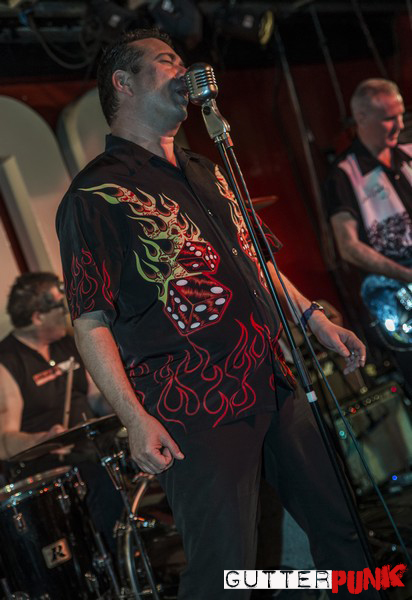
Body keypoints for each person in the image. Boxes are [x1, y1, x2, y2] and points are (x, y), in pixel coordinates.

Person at [56, 29, 378, 599]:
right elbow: (89, 320)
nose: (184, 70)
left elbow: (258, 261)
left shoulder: (206, 168)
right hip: (195, 409)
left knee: (343, 534)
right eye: (167, 61)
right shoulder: (95, 194)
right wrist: (134, 417)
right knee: (224, 573)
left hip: (273, 382)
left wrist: (314, 318)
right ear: (123, 83)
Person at [0, 272, 122, 551]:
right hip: (45, 468)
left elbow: (95, 397)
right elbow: (4, 441)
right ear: (37, 316)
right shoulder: (7, 361)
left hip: (89, 451)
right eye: (60, 306)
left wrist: (123, 405)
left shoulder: (67, 342)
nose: (67, 311)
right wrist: (45, 439)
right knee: (98, 483)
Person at [324, 78, 412, 394]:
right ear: (361, 118)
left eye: (401, 115)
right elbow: (348, 247)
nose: (399, 125)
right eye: (388, 118)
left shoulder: (408, 155)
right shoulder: (344, 175)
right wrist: (406, 275)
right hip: (399, 298)